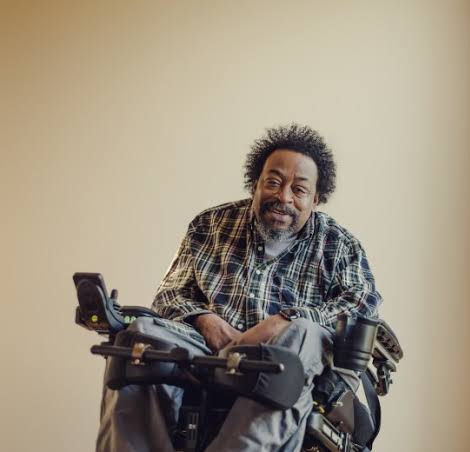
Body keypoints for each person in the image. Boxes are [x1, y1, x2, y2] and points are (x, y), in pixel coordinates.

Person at [96, 124, 382, 452]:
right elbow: (170, 294)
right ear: (255, 185)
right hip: (210, 353)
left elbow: (362, 304)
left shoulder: (339, 244)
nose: (283, 197)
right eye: (273, 182)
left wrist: (284, 321)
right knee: (138, 336)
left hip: (286, 357)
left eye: (299, 190)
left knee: (304, 331)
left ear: (316, 199)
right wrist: (203, 318)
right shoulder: (209, 226)